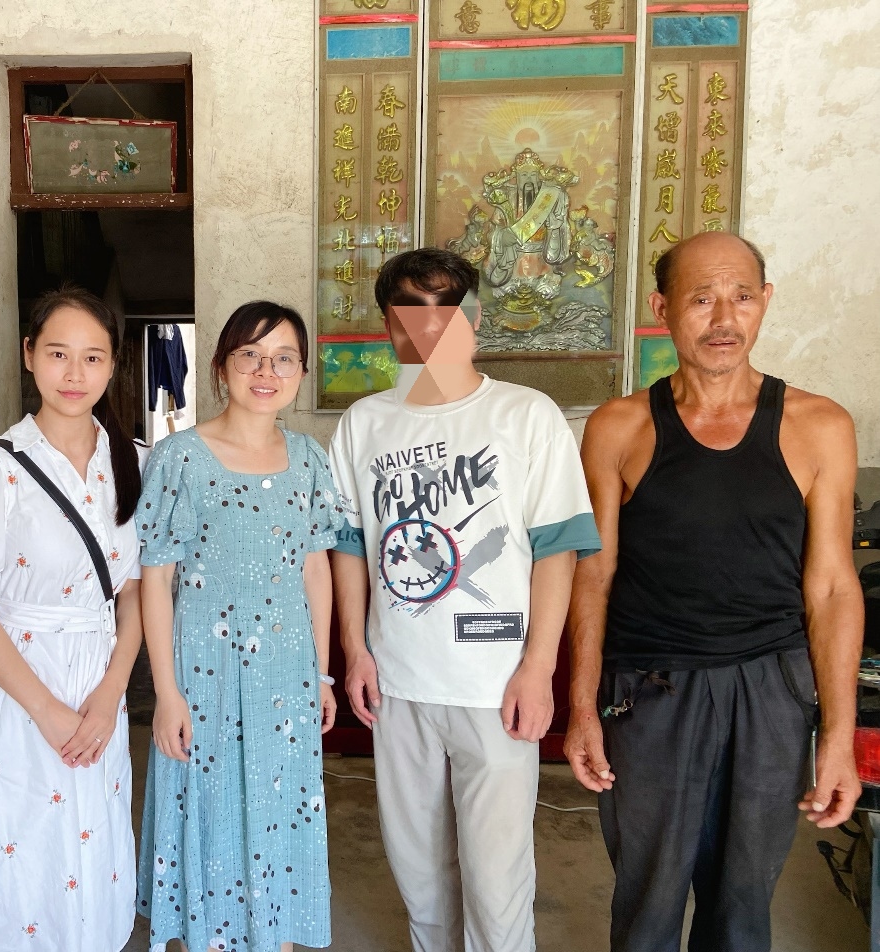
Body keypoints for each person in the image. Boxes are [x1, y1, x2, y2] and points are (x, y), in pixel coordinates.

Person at [564, 231, 864, 952]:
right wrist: (580, 707)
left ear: (765, 302)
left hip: (771, 689)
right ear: (662, 309)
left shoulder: (819, 425)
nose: (723, 318)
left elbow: (830, 586)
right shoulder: (618, 426)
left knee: (742, 901)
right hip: (650, 688)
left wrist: (838, 736)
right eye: (701, 299)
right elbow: (593, 571)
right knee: (648, 896)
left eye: (741, 296)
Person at [328, 247, 601, 952]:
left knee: (496, 879)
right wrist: (355, 650)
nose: (428, 328)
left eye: (444, 310)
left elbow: (557, 549)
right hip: (398, 684)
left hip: (495, 683)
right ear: (387, 327)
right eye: (409, 314)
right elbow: (350, 546)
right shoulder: (363, 423)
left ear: (473, 319)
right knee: (418, 874)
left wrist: (538, 669)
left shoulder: (525, 415)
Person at [0, 286, 146, 952]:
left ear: (113, 366)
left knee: (89, 856)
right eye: (58, 354)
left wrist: (110, 696)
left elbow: (135, 595)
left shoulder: (134, 461)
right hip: (16, 692)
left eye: (92, 357)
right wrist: (48, 711)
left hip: (98, 688)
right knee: (16, 855)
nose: (74, 374)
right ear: (29, 355)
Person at [136, 301, 340, 952]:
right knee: (210, 808)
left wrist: (322, 674)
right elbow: (155, 580)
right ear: (221, 367)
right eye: (250, 355)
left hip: (287, 676)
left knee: (280, 811)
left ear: (300, 372)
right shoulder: (179, 458)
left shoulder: (308, 458)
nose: (266, 371)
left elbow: (315, 569)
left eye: (283, 358)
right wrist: (166, 693)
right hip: (204, 677)